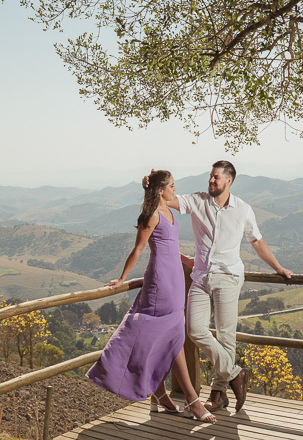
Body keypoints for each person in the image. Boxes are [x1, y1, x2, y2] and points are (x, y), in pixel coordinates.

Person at [86, 170, 216, 422]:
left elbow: (170, 244)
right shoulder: (151, 216)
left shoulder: (169, 212)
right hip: (159, 283)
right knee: (171, 337)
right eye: (172, 186)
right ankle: (192, 400)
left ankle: (160, 394)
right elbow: (138, 249)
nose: (175, 191)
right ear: (160, 190)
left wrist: (184, 259)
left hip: (177, 278)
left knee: (172, 335)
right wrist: (122, 278)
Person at [167, 160, 293, 413]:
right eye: (210, 177)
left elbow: (257, 241)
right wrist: (154, 184)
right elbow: (168, 201)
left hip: (228, 277)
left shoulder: (243, 209)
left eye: (216, 178)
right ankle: (236, 373)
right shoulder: (197, 201)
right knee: (194, 329)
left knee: (226, 337)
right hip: (201, 277)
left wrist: (278, 268)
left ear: (229, 181)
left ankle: (219, 393)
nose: (211, 181)